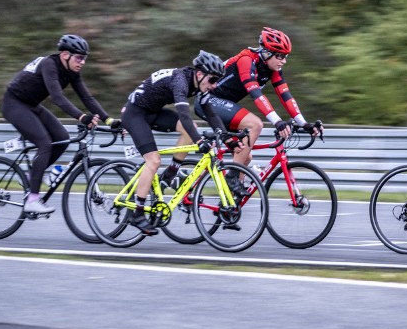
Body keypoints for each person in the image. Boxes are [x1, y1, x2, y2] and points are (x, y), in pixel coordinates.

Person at [1, 34, 121, 214]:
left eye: (84, 59)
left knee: (63, 138)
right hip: (13, 103)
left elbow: (87, 97)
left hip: (32, 105)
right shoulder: (49, 64)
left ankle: (32, 175)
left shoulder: (72, 72)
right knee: (45, 143)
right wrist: (82, 117)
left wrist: (109, 120)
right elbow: (57, 97)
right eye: (79, 58)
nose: (82, 62)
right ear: (65, 55)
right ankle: (32, 200)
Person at [194, 27, 321, 191]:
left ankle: (232, 201)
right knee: (255, 125)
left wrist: (304, 124)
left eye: (286, 56)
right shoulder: (246, 59)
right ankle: (232, 177)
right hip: (208, 100)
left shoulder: (272, 69)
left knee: (245, 156)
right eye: (280, 56)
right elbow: (256, 94)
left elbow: (286, 96)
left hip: (223, 103)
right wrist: (278, 122)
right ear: (267, 53)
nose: (284, 61)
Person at [121, 50, 230, 235]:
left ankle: (171, 172)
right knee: (154, 161)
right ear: (199, 74)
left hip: (154, 111)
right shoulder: (180, 80)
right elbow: (183, 114)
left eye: (217, 81)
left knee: (191, 127)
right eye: (212, 80)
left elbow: (210, 113)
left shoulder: (199, 84)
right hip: (135, 113)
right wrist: (199, 141)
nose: (214, 85)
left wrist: (226, 137)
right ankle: (136, 213)